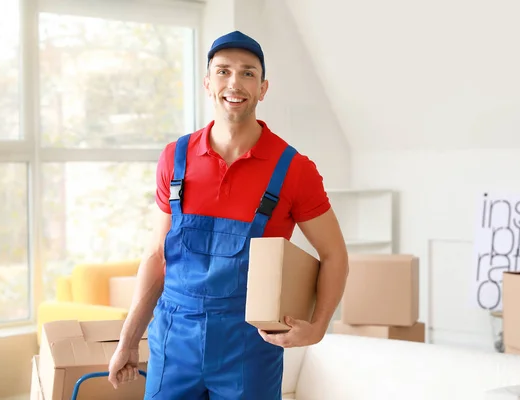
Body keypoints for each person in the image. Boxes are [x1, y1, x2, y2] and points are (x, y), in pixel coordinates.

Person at [107, 30, 349, 399]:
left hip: (248, 347)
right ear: (208, 83)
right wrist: (128, 340)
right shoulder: (175, 159)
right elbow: (157, 257)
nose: (234, 83)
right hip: (174, 342)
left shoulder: (294, 169)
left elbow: (335, 256)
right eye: (223, 71)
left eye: (248, 73)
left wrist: (318, 327)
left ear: (263, 88)